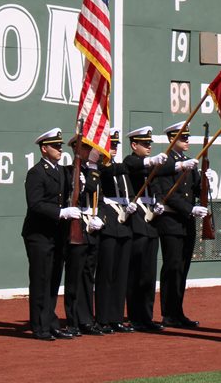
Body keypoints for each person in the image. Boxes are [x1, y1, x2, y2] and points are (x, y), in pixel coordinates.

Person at [21, 128, 81, 340]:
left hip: (56, 234)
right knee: (40, 280)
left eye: (60, 146)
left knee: (54, 280)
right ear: (44, 149)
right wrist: (61, 212)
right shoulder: (36, 173)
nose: (59, 149)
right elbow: (35, 204)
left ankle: (50, 323)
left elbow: (74, 180)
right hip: (39, 234)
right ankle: (39, 327)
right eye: (55, 146)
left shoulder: (61, 171)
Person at [152, 122, 210, 329]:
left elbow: (195, 189)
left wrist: (205, 180)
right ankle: (168, 313)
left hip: (186, 223)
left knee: (183, 269)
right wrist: (190, 209)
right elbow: (168, 194)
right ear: (171, 139)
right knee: (172, 267)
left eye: (187, 137)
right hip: (171, 221)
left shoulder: (188, 162)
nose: (187, 141)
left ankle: (178, 312)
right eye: (182, 138)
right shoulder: (165, 162)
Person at [123, 126, 167, 332]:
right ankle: (134, 316)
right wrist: (151, 162)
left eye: (150, 143)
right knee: (136, 274)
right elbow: (133, 165)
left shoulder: (152, 167)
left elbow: (156, 186)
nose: (149, 147)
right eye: (145, 144)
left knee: (149, 275)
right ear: (134, 145)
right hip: (137, 222)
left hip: (152, 222)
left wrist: (159, 202)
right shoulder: (131, 161)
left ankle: (146, 316)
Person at [62, 136, 103, 336]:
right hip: (76, 227)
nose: (90, 151)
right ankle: (73, 321)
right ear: (76, 149)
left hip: (91, 228)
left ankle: (87, 319)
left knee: (88, 275)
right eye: (86, 147)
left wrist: (100, 218)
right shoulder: (68, 172)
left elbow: (98, 197)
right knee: (74, 277)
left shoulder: (93, 171)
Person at [94, 130, 134, 334]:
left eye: (116, 145)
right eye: (111, 145)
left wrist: (131, 206)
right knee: (106, 273)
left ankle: (116, 317)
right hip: (109, 223)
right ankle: (102, 318)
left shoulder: (121, 170)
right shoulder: (102, 168)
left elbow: (129, 192)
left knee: (120, 274)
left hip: (124, 224)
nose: (114, 149)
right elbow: (108, 174)